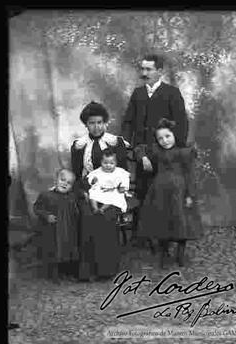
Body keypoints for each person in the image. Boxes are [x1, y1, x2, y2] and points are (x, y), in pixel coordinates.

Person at [122, 53, 189, 239]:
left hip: (164, 154)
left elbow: (181, 124)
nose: (144, 73)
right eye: (142, 69)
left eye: (148, 69)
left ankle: (166, 236)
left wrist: (174, 150)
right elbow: (128, 121)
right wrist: (127, 141)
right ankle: (143, 234)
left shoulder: (172, 93)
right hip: (142, 152)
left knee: (164, 195)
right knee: (143, 192)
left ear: (160, 71)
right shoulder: (138, 93)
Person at [71, 101, 130, 281]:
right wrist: (85, 192)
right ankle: (87, 271)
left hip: (112, 190)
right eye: (91, 123)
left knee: (105, 216)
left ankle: (106, 268)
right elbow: (77, 173)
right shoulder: (79, 146)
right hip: (88, 189)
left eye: (99, 122)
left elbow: (122, 172)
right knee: (88, 216)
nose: (96, 127)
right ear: (86, 124)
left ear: (105, 123)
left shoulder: (115, 142)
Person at [136, 118, 203, 268]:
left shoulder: (184, 152)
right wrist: (144, 158)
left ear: (174, 135)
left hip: (180, 193)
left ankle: (180, 252)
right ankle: (164, 252)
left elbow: (190, 175)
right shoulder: (156, 150)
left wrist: (189, 195)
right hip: (160, 192)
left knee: (181, 222)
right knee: (162, 222)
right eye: (160, 138)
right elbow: (139, 148)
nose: (164, 141)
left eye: (167, 136)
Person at [33, 168, 79, 282]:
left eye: (68, 183)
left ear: (72, 186)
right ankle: (54, 275)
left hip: (67, 229)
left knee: (68, 251)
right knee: (54, 252)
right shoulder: (46, 195)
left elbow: (75, 211)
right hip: (53, 230)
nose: (65, 184)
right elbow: (37, 208)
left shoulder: (71, 197)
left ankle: (67, 272)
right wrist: (47, 215)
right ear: (56, 180)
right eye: (62, 180)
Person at [86, 148, 130, 214]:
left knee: (115, 197)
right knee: (93, 193)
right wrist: (93, 181)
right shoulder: (98, 171)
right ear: (101, 162)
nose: (108, 165)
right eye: (105, 163)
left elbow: (125, 179)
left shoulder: (120, 172)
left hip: (113, 190)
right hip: (100, 189)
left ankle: (102, 209)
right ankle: (95, 208)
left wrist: (123, 186)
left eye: (111, 163)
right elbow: (91, 177)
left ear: (116, 163)